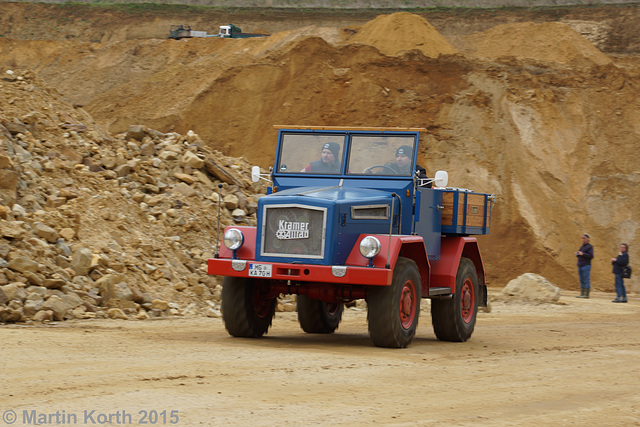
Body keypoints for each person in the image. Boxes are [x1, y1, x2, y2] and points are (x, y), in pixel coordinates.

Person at [576, 234, 594, 298]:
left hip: (586, 265)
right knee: (581, 279)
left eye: (584, 238)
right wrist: (577, 253)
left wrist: (583, 254)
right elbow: (579, 254)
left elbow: (591, 256)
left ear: (587, 239)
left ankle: (586, 294)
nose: (582, 239)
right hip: (580, 265)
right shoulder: (582, 247)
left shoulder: (590, 247)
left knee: (586, 279)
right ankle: (582, 293)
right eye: (582, 238)